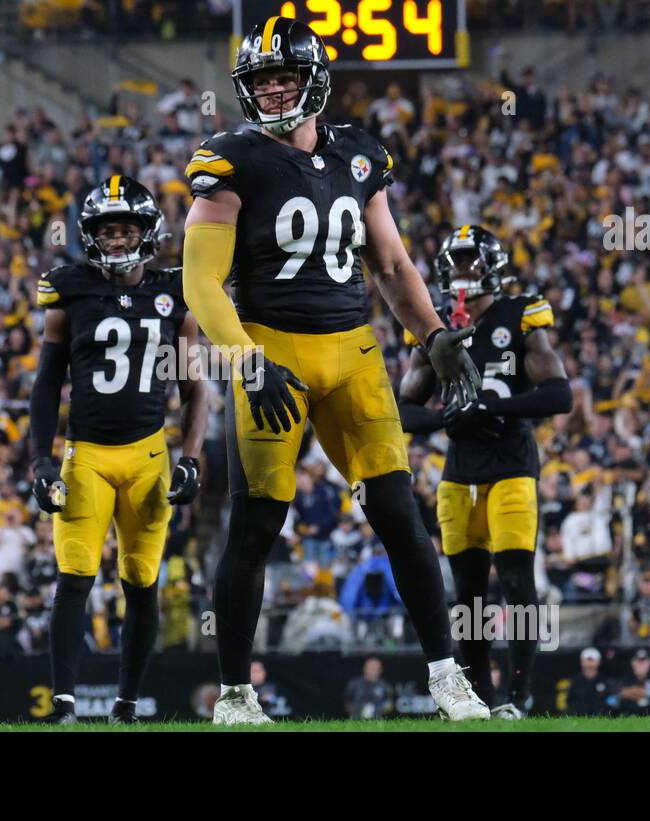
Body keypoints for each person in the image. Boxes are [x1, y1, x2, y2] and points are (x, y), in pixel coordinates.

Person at [181, 16, 487, 725]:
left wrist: (434, 335)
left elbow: (390, 262)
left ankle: (449, 677)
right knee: (256, 522)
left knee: (399, 514)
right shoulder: (230, 158)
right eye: (261, 79)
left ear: (314, 78)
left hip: (352, 351)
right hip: (271, 346)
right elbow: (201, 284)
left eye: (285, 75)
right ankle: (235, 694)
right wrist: (246, 359)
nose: (274, 88)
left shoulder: (359, 155)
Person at [30, 175, 208, 725]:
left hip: (148, 456)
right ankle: (64, 704)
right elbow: (46, 381)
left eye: (126, 228)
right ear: (90, 235)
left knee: (141, 581)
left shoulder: (176, 290)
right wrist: (41, 457)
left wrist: (191, 455)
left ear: (147, 231)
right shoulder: (68, 286)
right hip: (85, 455)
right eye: (106, 230)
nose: (116, 239)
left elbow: (194, 384)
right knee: (74, 578)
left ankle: (126, 705)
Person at [399, 226, 572, 719]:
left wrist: (497, 407)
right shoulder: (434, 326)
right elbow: (402, 409)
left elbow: (560, 394)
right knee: (468, 595)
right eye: (455, 263)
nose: (461, 272)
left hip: (512, 467)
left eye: (470, 262)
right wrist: (445, 418)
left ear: (492, 266)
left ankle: (518, 697)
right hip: (458, 477)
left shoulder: (519, 316)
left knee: (517, 583)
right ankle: (481, 699)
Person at [564, 647, 609, 716]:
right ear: (581, 662)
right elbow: (569, 701)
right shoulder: (575, 681)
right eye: (587, 660)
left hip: (600, 718)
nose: (589, 664)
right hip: (578, 718)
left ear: (599, 662)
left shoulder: (605, 681)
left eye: (592, 660)